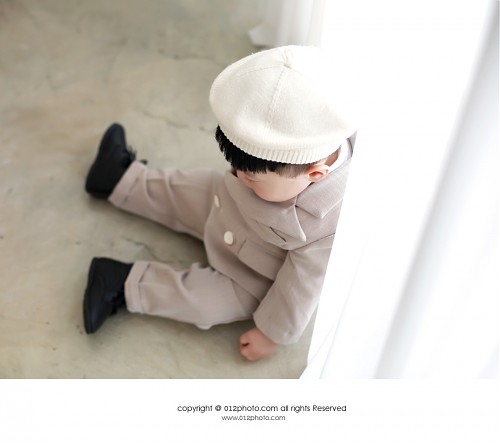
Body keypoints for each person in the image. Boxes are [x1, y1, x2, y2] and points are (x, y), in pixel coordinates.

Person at [82, 45, 356, 361]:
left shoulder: (329, 223)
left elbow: (301, 286)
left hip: (248, 273)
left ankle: (123, 283)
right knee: (185, 189)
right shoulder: (269, 167)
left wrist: (272, 334)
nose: (239, 176)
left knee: (206, 304)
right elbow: (245, 173)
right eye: (236, 168)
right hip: (224, 203)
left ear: (315, 174)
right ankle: (121, 179)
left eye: (251, 177)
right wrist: (249, 179)